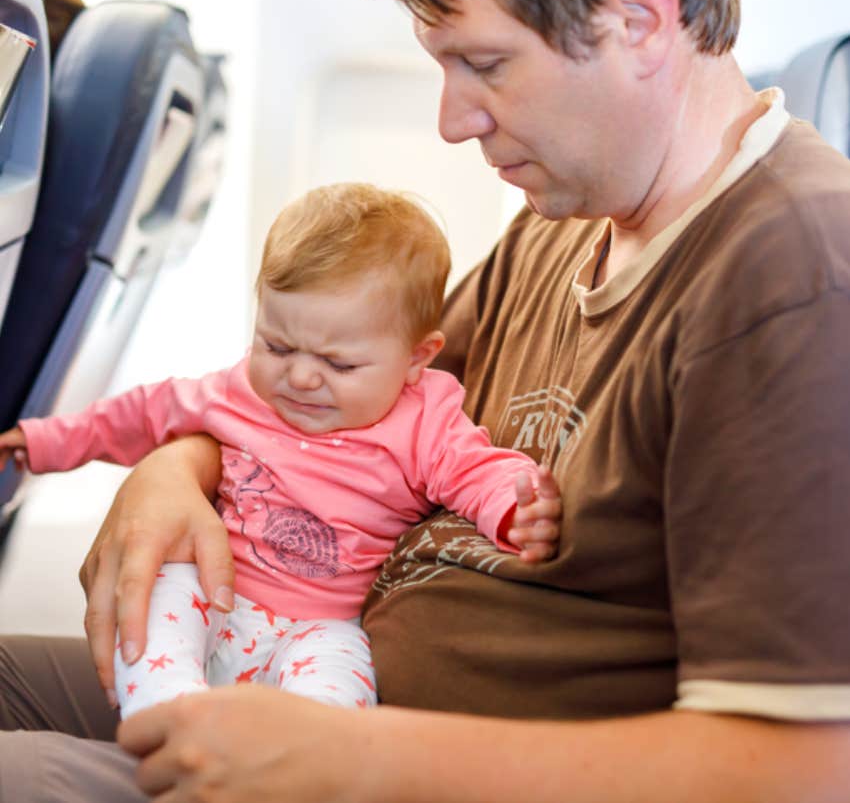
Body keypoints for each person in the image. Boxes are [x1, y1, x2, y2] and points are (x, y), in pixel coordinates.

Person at [3, 0, 850, 800]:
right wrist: (174, 469)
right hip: (299, 673)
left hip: (384, 756)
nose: (451, 122)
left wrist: (354, 760)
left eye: (484, 66)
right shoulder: (562, 226)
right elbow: (342, 407)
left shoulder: (792, 274)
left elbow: (806, 769)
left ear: (637, 18)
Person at [0, 181, 560, 719]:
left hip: (321, 628)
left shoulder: (424, 421)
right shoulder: (239, 390)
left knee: (343, 683)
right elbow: (141, 414)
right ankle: (168, 714)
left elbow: (476, 470)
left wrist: (515, 507)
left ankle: (286, 761)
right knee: (159, 591)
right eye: (276, 345)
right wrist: (43, 440)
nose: (300, 377)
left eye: (338, 364)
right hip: (216, 594)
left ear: (417, 357)